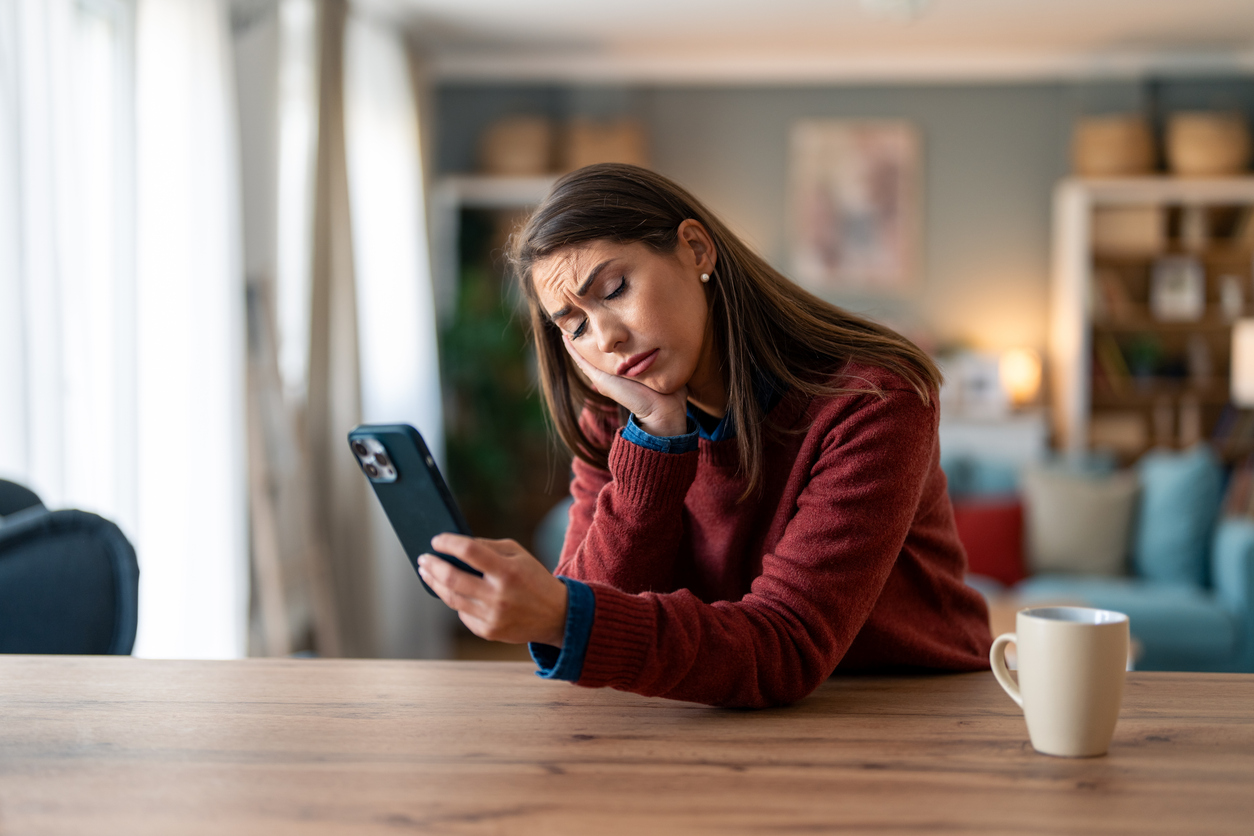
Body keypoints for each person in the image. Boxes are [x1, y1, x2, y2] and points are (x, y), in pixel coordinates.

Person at [418, 163, 992, 708]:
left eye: (615, 289)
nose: (607, 339)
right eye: (576, 326)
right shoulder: (617, 417)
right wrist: (655, 439)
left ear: (696, 248)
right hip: (719, 708)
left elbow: (786, 646)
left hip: (909, 704)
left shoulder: (870, 400)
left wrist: (562, 615)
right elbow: (595, 627)